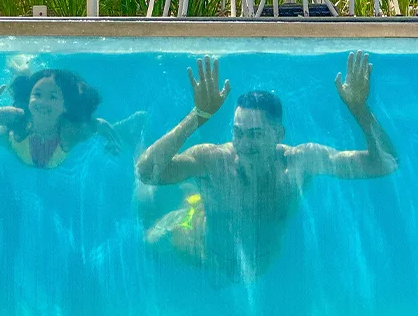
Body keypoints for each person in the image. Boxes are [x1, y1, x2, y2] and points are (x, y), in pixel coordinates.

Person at [136, 51, 398, 282]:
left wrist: (359, 109)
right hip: (202, 254)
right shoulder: (214, 161)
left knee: (189, 196)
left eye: (256, 133)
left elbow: (385, 164)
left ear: (279, 134)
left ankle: (192, 198)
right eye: (238, 132)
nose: (244, 143)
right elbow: (146, 172)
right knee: (148, 240)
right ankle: (186, 207)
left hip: (260, 267)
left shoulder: (301, 162)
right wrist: (198, 116)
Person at [0, 68, 123, 168]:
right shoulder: (16, 117)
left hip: (41, 158)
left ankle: (24, 70)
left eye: (52, 97)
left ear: (65, 106)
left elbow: (100, 125)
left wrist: (112, 140)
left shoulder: (71, 130)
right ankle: (21, 67)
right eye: (37, 95)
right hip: (10, 142)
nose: (43, 102)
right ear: (29, 98)